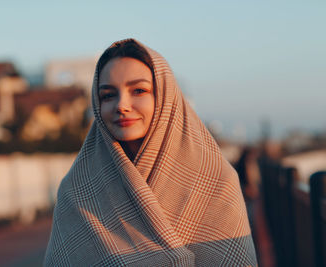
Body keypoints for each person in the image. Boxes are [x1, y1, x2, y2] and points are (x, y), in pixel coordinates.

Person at [44, 39, 257, 266]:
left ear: (166, 98)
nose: (121, 105)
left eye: (139, 90)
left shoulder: (214, 181)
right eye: (108, 95)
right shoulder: (77, 190)